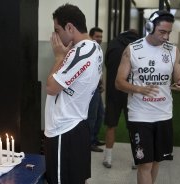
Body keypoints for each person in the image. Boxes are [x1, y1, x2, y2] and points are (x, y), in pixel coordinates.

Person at [115, 10, 180, 184]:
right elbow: (118, 82)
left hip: (164, 114)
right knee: (145, 163)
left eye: (169, 33)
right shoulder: (132, 50)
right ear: (149, 27)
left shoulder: (173, 51)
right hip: (140, 115)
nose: (166, 37)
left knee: (156, 161)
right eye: (162, 32)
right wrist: (139, 89)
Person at [44, 4, 103, 184]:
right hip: (72, 126)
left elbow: (51, 87)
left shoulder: (82, 52)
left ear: (70, 27)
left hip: (65, 129)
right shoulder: (91, 48)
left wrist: (59, 58)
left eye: (57, 30)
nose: (56, 36)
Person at [102, 30, 140, 168]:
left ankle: (108, 158)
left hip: (114, 90)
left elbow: (106, 63)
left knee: (111, 125)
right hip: (132, 91)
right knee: (134, 127)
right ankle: (136, 159)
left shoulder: (113, 44)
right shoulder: (138, 46)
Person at [87, 27, 105, 152]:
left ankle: (94, 138)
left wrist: (102, 83)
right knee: (92, 116)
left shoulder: (98, 49)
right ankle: (88, 142)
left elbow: (99, 69)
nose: (99, 39)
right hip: (90, 89)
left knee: (100, 114)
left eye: (100, 37)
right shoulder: (88, 49)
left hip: (97, 86)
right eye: (97, 36)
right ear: (90, 36)